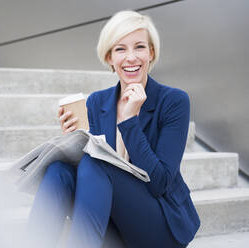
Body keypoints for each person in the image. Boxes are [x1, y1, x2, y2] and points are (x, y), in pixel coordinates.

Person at [27, 10, 200, 248]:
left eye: (139, 47)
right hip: (113, 219)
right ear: (109, 57)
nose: (131, 58)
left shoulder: (173, 101)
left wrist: (129, 122)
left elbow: (160, 183)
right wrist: (74, 142)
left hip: (160, 223)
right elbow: (91, 178)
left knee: (97, 163)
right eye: (120, 49)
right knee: (59, 171)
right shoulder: (97, 102)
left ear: (151, 52)